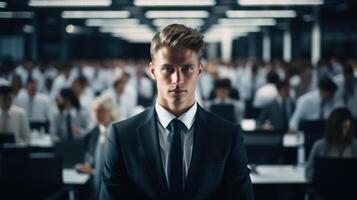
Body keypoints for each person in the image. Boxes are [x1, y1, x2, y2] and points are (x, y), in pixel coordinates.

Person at [100, 24, 254, 200]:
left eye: (187, 68)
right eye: (168, 69)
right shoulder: (122, 136)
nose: (177, 79)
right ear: (153, 71)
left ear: (199, 70)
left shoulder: (228, 135)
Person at [77, 95, 119, 199]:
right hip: (97, 183)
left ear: (110, 112)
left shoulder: (115, 133)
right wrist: (88, 166)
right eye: (95, 111)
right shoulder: (97, 131)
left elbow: (115, 168)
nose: (98, 114)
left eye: (102, 111)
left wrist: (91, 171)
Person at [305, 107, 357, 180]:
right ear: (332, 127)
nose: (343, 132)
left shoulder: (355, 145)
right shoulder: (319, 146)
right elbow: (308, 172)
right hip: (326, 188)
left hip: (351, 189)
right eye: (340, 128)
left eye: (346, 128)